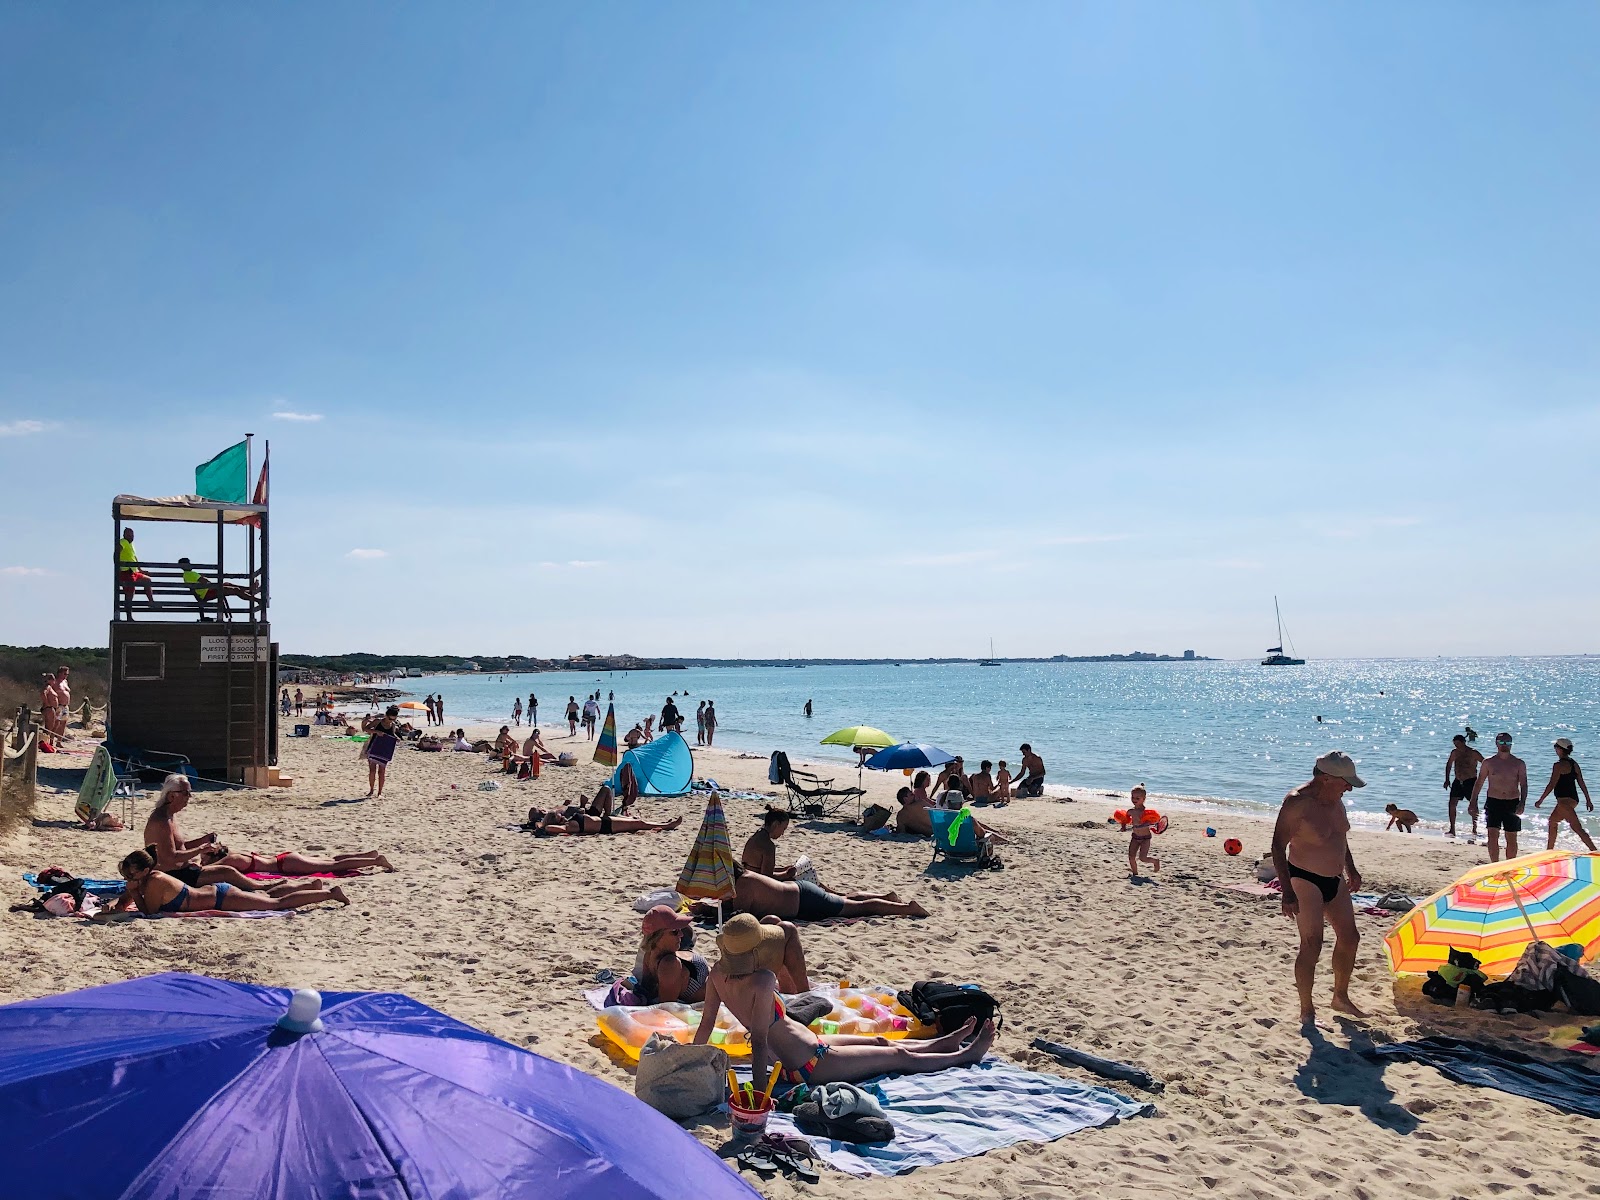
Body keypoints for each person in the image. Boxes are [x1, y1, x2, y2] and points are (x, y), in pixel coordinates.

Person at [693, 913, 992, 1087]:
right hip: (809, 1065)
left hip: (802, 1052)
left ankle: (940, 1045)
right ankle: (964, 1057)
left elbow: (706, 1025)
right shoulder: (762, 980)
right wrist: (759, 1094)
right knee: (899, 1059)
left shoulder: (717, 974)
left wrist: (690, 1063)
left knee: (881, 1043)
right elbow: (759, 1042)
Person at [1270, 751, 1367, 1027]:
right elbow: (1278, 845)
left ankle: (1340, 996)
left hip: (1334, 879)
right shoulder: (1297, 803)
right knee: (1312, 944)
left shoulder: (1337, 801)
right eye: (1345, 782)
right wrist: (1287, 892)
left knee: (1350, 938)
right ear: (1325, 778)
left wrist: (1351, 869)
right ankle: (1307, 1010)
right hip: (1304, 879)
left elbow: (1340, 837)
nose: (1348, 787)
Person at [144, 774, 394, 877]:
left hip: (286, 862)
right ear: (172, 795)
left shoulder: (227, 862)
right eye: (187, 794)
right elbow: (176, 852)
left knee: (333, 863)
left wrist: (202, 846)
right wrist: (203, 847)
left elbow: (178, 850)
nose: (190, 798)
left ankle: (375, 860)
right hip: (284, 859)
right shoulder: (163, 819)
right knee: (331, 861)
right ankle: (369, 857)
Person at [114, 849, 348, 914]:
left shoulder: (155, 882)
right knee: (266, 895)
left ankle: (330, 894)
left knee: (276, 903)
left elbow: (150, 912)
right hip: (217, 894)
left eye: (131, 875)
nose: (128, 879)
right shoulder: (152, 878)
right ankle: (309, 886)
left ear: (144, 870)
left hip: (222, 898)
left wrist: (134, 894)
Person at [694, 863, 926, 922]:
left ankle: (907, 908)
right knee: (847, 900)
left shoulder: (743, 884)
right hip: (801, 894)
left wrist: (707, 909)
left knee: (860, 908)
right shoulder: (743, 879)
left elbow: (736, 916)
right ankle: (888, 898)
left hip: (805, 902)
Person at [1472, 733, 1528, 862]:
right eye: (1502, 743)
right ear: (1496, 743)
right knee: (1492, 835)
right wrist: (1473, 801)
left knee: (1511, 837)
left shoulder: (1518, 763)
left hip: (1512, 802)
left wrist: (1522, 803)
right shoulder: (1488, 762)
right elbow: (1479, 782)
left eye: (1507, 743)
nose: (1504, 746)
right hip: (1493, 801)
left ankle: (1509, 865)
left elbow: (1524, 784)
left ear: (1511, 744)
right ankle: (1494, 865)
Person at [1536, 737, 1595, 851]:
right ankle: (1549, 851)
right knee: (1553, 821)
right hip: (1573, 800)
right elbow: (1581, 782)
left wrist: (1541, 800)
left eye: (1556, 747)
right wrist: (1588, 800)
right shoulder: (1574, 764)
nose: (1555, 750)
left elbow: (1551, 784)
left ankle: (1594, 851)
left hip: (1564, 802)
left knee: (1577, 828)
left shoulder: (1558, 765)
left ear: (1560, 749)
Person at [523, 805, 683, 836]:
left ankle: (661, 824)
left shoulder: (568, 823)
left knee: (636, 821)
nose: (563, 816)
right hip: (607, 827)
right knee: (638, 824)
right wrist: (545, 825)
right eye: (560, 817)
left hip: (604, 820)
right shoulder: (567, 828)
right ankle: (667, 825)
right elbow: (548, 829)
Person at [177, 557, 255, 620]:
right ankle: (256, 599)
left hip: (204, 593)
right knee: (235, 590)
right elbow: (205, 582)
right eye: (188, 563)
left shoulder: (185, 575)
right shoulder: (191, 574)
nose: (190, 565)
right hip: (207, 593)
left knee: (227, 584)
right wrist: (206, 579)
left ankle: (248, 589)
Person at [742, 807, 802, 881]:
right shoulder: (768, 846)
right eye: (783, 829)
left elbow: (759, 869)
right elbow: (767, 878)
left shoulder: (754, 838)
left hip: (746, 879)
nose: (782, 833)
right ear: (776, 824)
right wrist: (786, 874)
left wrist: (783, 869)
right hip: (756, 884)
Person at [1444, 734, 1484, 841]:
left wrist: (1482, 778)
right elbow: (1449, 765)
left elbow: (1485, 763)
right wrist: (1447, 779)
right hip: (1458, 780)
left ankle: (1475, 828)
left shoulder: (1473, 752)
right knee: (1452, 804)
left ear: (1463, 742)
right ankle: (1452, 828)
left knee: (1473, 806)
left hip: (1470, 781)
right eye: (1454, 744)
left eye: (1458, 744)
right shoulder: (1455, 752)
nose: (1456, 746)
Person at [362, 706, 401, 798]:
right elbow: (366, 729)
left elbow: (392, 734)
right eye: (389, 718)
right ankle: (371, 790)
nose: (390, 721)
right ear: (386, 715)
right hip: (373, 747)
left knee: (382, 771)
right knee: (372, 770)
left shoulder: (393, 725)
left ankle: (380, 792)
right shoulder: (378, 721)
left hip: (384, 749)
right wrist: (376, 732)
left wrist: (397, 738)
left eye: (393, 719)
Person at [117, 526, 155, 619]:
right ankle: (129, 617)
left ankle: (151, 602)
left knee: (147, 580)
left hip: (134, 571)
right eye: (129, 534)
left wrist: (140, 570)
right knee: (129, 594)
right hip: (126, 571)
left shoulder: (131, 545)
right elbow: (117, 552)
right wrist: (117, 566)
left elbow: (134, 558)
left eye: (132, 534)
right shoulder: (123, 542)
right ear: (124, 535)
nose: (131, 536)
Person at [1125, 785, 1161, 876]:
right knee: (1131, 856)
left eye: (1137, 798)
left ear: (1144, 799)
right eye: (1133, 797)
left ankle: (1155, 861)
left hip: (1145, 838)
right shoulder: (1130, 811)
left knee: (1143, 858)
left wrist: (1142, 825)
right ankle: (1135, 873)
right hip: (1135, 837)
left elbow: (1153, 823)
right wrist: (1123, 826)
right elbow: (1125, 820)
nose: (1134, 799)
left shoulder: (1147, 813)